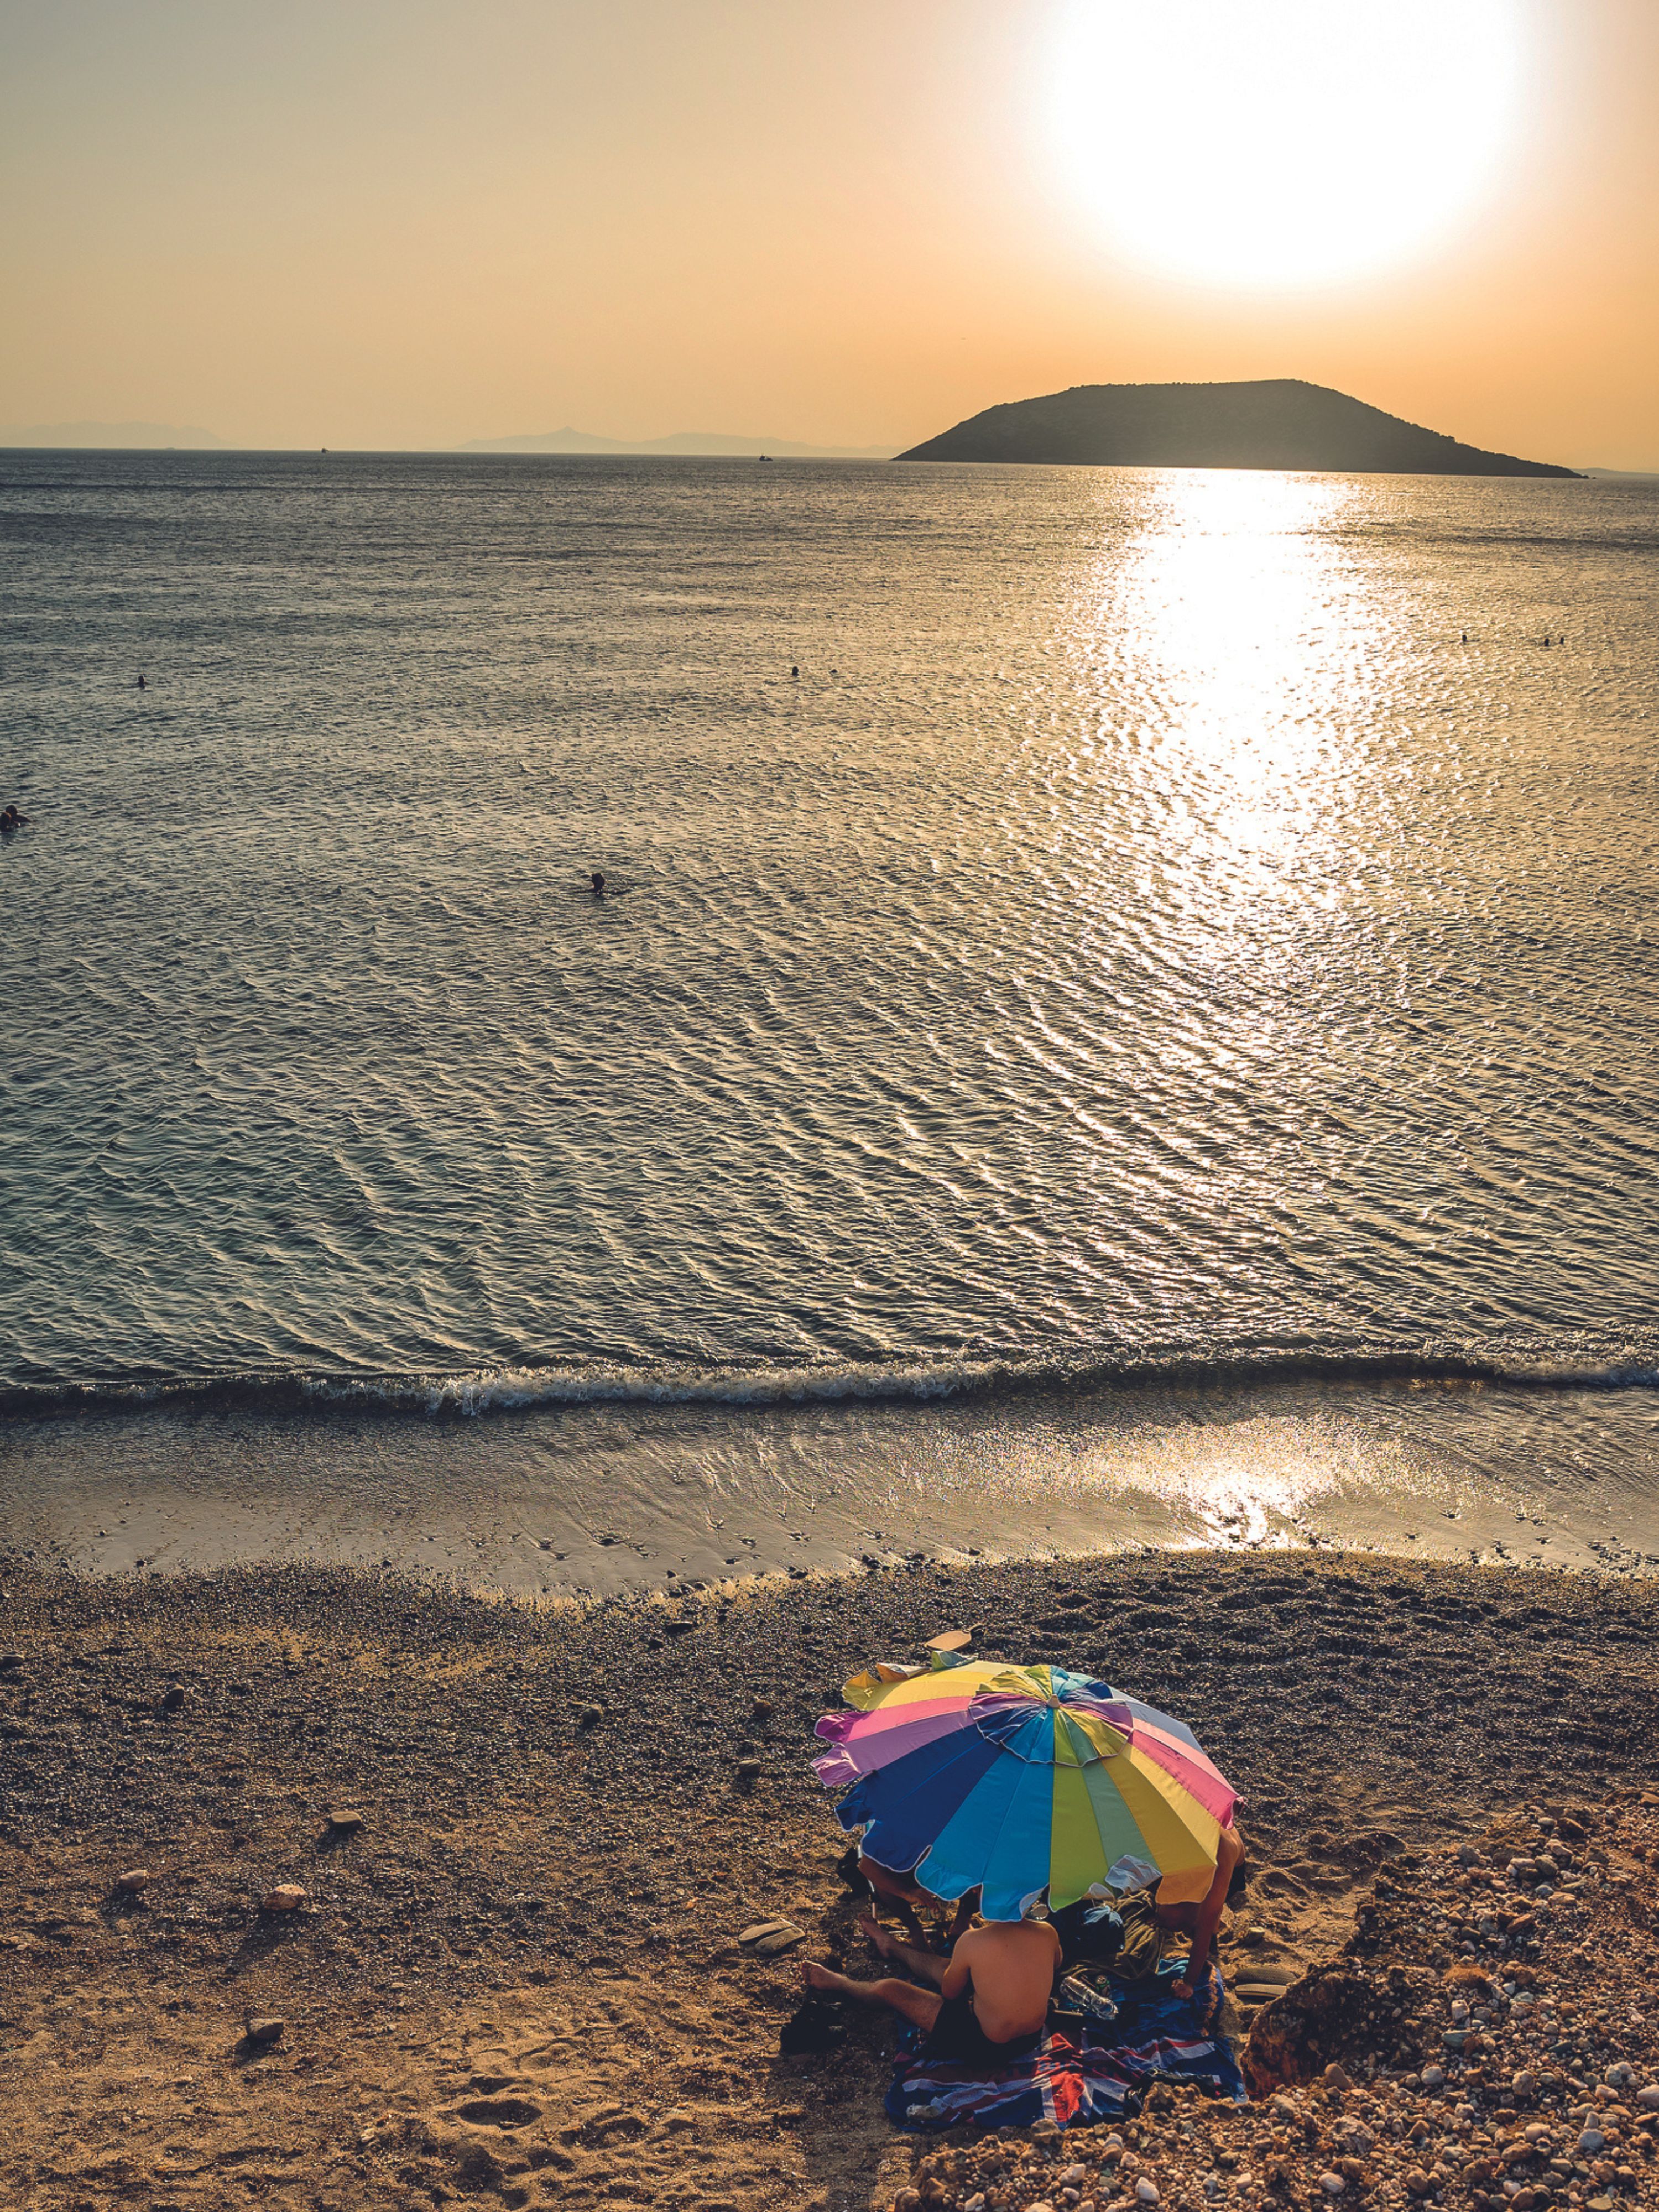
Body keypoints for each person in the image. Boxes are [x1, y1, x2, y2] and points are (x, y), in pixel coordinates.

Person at [801, 1906, 1059, 2065]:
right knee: (953, 1965)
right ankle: (891, 1946)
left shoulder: (974, 1941)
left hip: (985, 2046)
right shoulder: (1047, 1931)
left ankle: (841, 1983)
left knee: (891, 1988)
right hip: (1029, 2039)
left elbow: (950, 1993)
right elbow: (1057, 1962)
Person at [1152, 1820, 1248, 2001]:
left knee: (1193, 1922)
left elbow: (1207, 1918)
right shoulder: (1180, 1830)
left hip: (1232, 1870)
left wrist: (1189, 1982)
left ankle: (1213, 1926)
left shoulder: (1220, 1851)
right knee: (1167, 1917)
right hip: (1197, 1857)